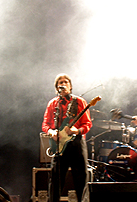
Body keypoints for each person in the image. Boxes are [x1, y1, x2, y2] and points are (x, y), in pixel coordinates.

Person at [42, 74, 92, 202]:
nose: (62, 84)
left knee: (81, 178)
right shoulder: (53, 103)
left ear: (70, 86)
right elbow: (45, 124)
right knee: (56, 180)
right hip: (59, 145)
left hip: (76, 143)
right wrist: (51, 132)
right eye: (60, 82)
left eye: (65, 82)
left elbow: (87, 124)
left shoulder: (79, 101)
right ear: (56, 88)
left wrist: (77, 130)